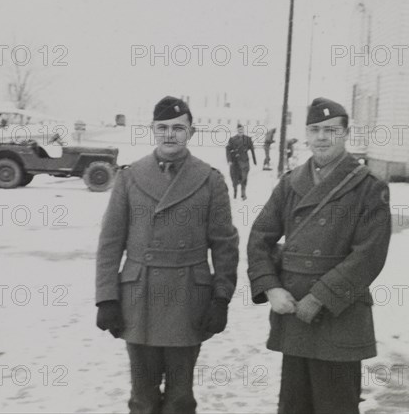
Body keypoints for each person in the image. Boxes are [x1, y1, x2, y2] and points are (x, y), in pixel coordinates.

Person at [95, 96, 239, 414]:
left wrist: (221, 298)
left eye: (178, 128)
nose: (170, 134)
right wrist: (107, 298)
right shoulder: (130, 178)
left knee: (180, 399)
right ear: (152, 130)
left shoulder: (210, 180)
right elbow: (109, 243)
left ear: (191, 131)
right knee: (142, 398)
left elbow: (225, 245)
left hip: (188, 300)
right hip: (138, 298)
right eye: (163, 128)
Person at [247, 97, 392, 414]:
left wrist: (321, 297)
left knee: (335, 406)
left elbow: (369, 255)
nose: (322, 137)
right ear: (307, 135)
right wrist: (271, 287)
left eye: (330, 130)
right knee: (294, 406)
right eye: (315, 130)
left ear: (345, 134)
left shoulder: (368, 187)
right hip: (294, 312)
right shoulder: (290, 183)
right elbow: (260, 237)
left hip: (341, 314)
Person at [226, 123, 257, 200]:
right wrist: (229, 160)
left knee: (244, 178)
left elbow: (252, 150)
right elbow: (227, 149)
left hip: (244, 162)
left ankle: (243, 193)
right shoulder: (232, 139)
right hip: (235, 162)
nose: (240, 131)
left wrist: (254, 161)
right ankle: (235, 192)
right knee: (234, 178)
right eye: (239, 130)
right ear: (237, 130)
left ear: (243, 130)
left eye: (242, 130)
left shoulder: (248, 139)